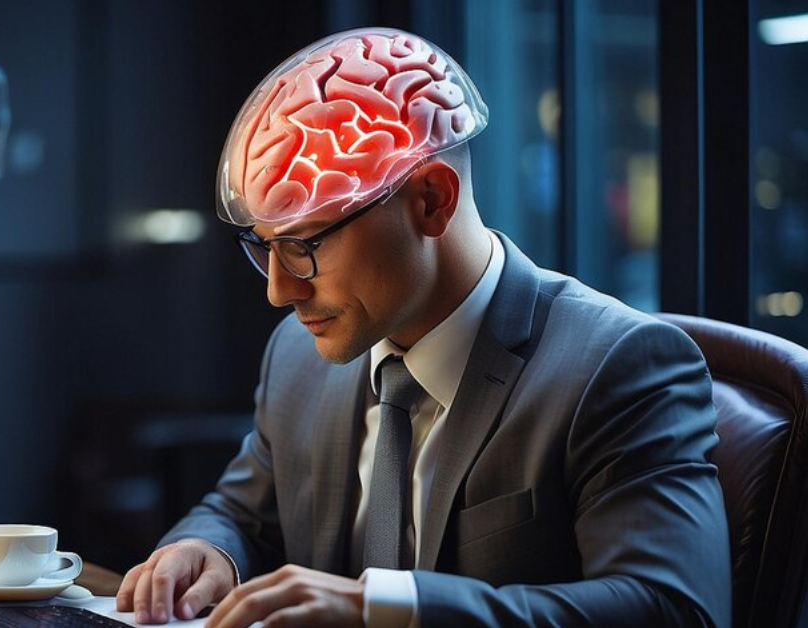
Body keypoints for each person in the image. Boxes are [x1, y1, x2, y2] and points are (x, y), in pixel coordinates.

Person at [116, 27, 730, 628]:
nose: (279, 290)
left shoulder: (617, 366)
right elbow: (243, 513)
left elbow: (675, 607)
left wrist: (387, 608)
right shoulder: (298, 359)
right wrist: (207, 549)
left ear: (432, 200)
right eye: (264, 246)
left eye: (304, 245)